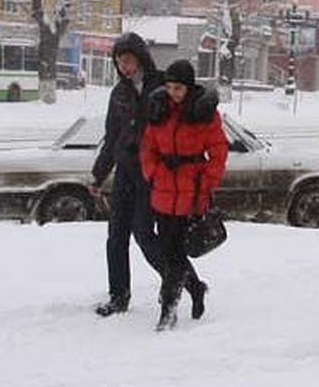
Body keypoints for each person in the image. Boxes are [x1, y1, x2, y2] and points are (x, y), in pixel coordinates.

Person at [139, 59, 229, 331]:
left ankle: (168, 309)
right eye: (169, 87)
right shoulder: (159, 109)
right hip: (164, 191)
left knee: (174, 253)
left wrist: (206, 183)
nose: (173, 92)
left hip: (191, 192)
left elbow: (219, 151)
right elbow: (148, 147)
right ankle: (196, 287)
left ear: (188, 87)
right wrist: (153, 173)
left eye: (178, 87)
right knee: (169, 252)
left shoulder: (204, 113)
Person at [90, 31, 172, 317]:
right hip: (125, 172)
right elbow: (111, 137)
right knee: (116, 237)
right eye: (119, 61)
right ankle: (118, 297)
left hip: (152, 174)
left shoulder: (161, 85)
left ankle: (176, 278)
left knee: (144, 234)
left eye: (128, 60)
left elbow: (187, 105)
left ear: (139, 57)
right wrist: (98, 175)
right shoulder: (119, 93)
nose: (124, 66)